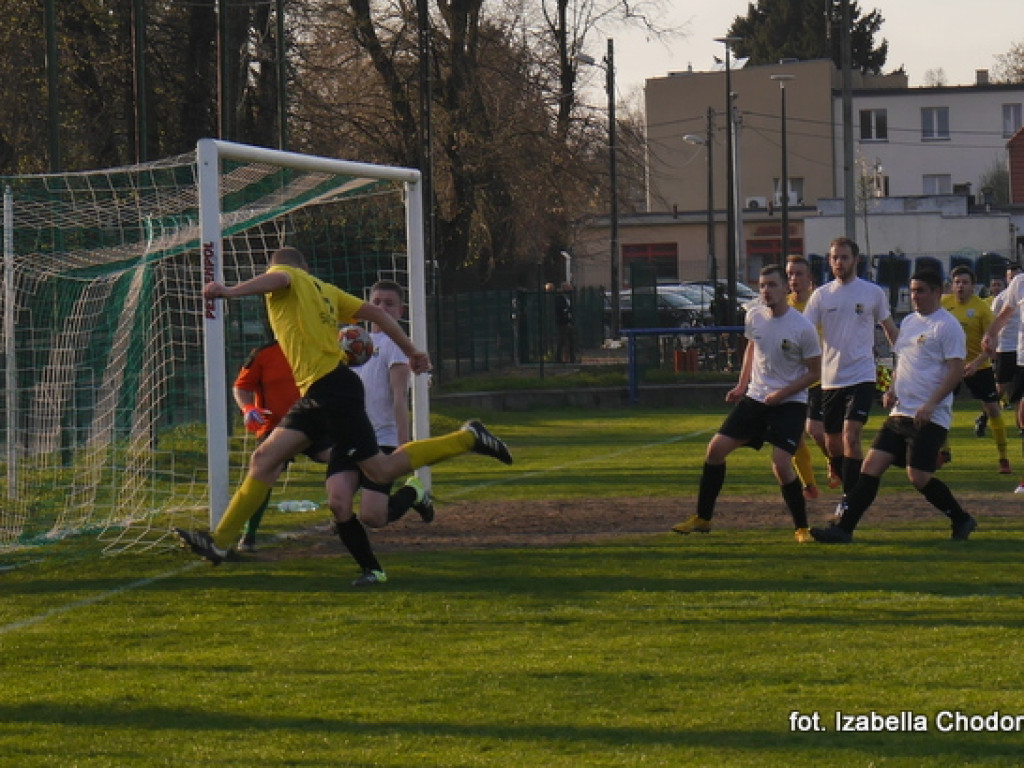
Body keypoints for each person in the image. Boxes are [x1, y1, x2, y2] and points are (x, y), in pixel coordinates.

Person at [176, 247, 512, 577]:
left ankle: (467, 438)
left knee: (380, 471)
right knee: (264, 459)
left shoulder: (286, 275)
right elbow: (378, 316)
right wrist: (412, 351)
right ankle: (219, 543)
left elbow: (278, 278)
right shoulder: (326, 290)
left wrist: (228, 291)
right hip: (318, 391)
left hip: (332, 389)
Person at [811, 269, 976, 543]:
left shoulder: (947, 326)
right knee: (870, 467)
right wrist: (892, 389)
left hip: (929, 417)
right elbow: (903, 363)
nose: (915, 296)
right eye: (912, 291)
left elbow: (956, 371)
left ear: (937, 292)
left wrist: (931, 404)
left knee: (918, 477)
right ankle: (844, 529)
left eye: (921, 290)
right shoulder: (910, 322)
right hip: (900, 413)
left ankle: (961, 518)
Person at [671, 264, 822, 542]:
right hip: (756, 397)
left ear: (786, 288)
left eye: (772, 285)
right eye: (762, 285)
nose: (766, 291)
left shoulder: (803, 328)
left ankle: (802, 528)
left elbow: (815, 373)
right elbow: (752, 348)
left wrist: (783, 393)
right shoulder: (754, 316)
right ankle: (703, 519)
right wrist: (742, 385)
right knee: (715, 450)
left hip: (789, 403)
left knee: (780, 464)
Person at [802, 237, 898, 515]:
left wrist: (900, 363)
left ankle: (849, 499)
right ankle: (847, 483)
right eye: (834, 258)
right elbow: (804, 332)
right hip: (830, 379)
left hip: (863, 375)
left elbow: (890, 330)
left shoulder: (872, 293)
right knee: (833, 444)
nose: (839, 263)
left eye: (844, 257)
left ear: (856, 260)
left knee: (851, 435)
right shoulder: (822, 296)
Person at [331, 279, 435, 532]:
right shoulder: (353, 340)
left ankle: (413, 493)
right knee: (339, 498)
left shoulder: (396, 345)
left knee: (373, 517)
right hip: (353, 434)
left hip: (382, 438)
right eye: (376, 302)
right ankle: (343, 522)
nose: (382, 308)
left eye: (389, 304)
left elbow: (399, 397)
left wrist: (404, 445)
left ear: (401, 311)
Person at [231, 339, 301, 552]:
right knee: (265, 471)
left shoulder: (312, 348)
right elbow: (241, 386)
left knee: (342, 457)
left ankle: (347, 516)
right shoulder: (263, 354)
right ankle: (248, 533)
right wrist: (248, 408)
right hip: (275, 426)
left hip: (312, 422)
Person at [939, 265, 1010, 473]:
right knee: (940, 408)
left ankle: (1003, 458)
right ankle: (943, 451)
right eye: (957, 282)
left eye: (965, 282)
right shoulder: (943, 305)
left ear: (973, 286)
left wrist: (976, 364)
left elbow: (992, 343)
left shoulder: (981, 309)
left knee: (992, 409)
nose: (960, 286)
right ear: (952, 285)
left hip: (978, 365)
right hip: (951, 366)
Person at [785, 255, 836, 499]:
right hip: (790, 382)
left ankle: (834, 462)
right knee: (793, 435)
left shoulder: (821, 303)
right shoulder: (782, 306)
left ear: (810, 278)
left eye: (799, 274)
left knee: (815, 431)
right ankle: (809, 485)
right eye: (790, 274)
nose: (794, 279)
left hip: (818, 379)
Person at [976, 263, 1022, 438]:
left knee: (1019, 392)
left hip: (1021, 350)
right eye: (1011, 277)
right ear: (1007, 278)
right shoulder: (1001, 299)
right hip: (1006, 349)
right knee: (1000, 389)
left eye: (1017, 275)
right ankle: (984, 417)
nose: (1014, 280)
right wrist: (990, 341)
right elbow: (993, 322)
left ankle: (1021, 427)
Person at [555, 282, 575, 363]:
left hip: (567, 321)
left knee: (569, 339)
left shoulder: (568, 298)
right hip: (563, 322)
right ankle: (560, 357)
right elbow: (560, 309)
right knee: (563, 340)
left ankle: (570, 357)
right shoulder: (559, 298)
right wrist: (566, 312)